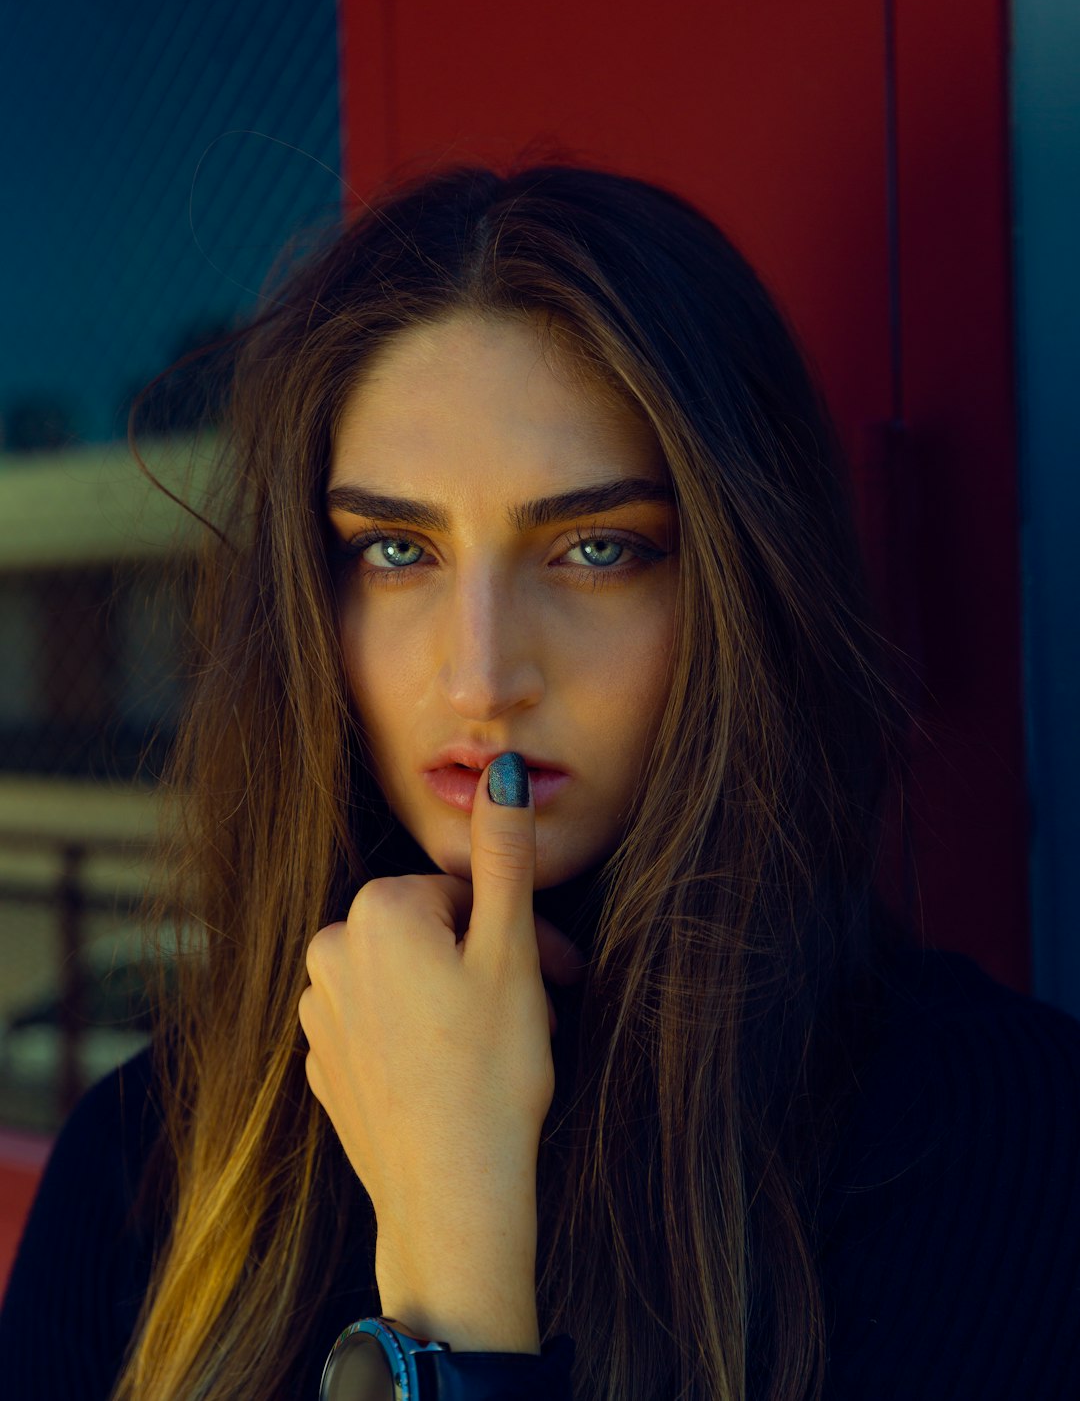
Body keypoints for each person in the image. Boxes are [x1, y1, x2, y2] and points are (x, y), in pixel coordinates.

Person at [1, 160, 1078, 1401]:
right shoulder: (152, 1159)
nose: (481, 675)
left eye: (596, 549)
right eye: (397, 550)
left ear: (737, 584)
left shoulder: (1002, 1143)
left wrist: (451, 1276)